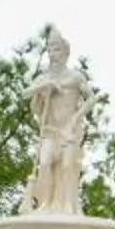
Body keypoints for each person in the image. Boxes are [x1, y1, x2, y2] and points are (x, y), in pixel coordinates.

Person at [25, 29, 90, 215]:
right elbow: (26, 93)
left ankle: (67, 205)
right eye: (50, 50)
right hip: (51, 128)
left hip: (69, 128)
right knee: (44, 163)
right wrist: (43, 88)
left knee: (67, 165)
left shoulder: (75, 77)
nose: (53, 55)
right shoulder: (44, 78)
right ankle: (45, 203)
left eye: (57, 50)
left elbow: (91, 98)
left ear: (66, 53)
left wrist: (78, 116)